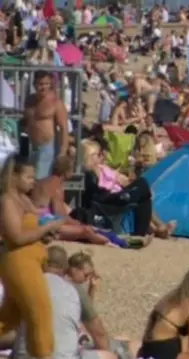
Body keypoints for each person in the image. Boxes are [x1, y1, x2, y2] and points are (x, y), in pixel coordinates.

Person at [0, 155, 63, 358]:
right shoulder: (7, 200)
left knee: (10, 318)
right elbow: (16, 237)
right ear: (14, 175)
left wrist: (46, 232)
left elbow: (31, 231)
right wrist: (49, 227)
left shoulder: (24, 199)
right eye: (28, 177)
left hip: (30, 261)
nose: (32, 181)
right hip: (19, 263)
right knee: (40, 312)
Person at [12, 245, 119, 359]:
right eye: (86, 275)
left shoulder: (23, 286)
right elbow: (99, 334)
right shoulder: (73, 288)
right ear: (66, 267)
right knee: (109, 355)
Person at [24, 70, 70, 180]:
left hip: (47, 146)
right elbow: (26, 123)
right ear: (34, 84)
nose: (44, 87)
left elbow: (64, 128)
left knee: (41, 180)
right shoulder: (29, 100)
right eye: (41, 84)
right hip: (31, 145)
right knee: (28, 179)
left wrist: (62, 152)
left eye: (47, 84)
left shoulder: (56, 103)